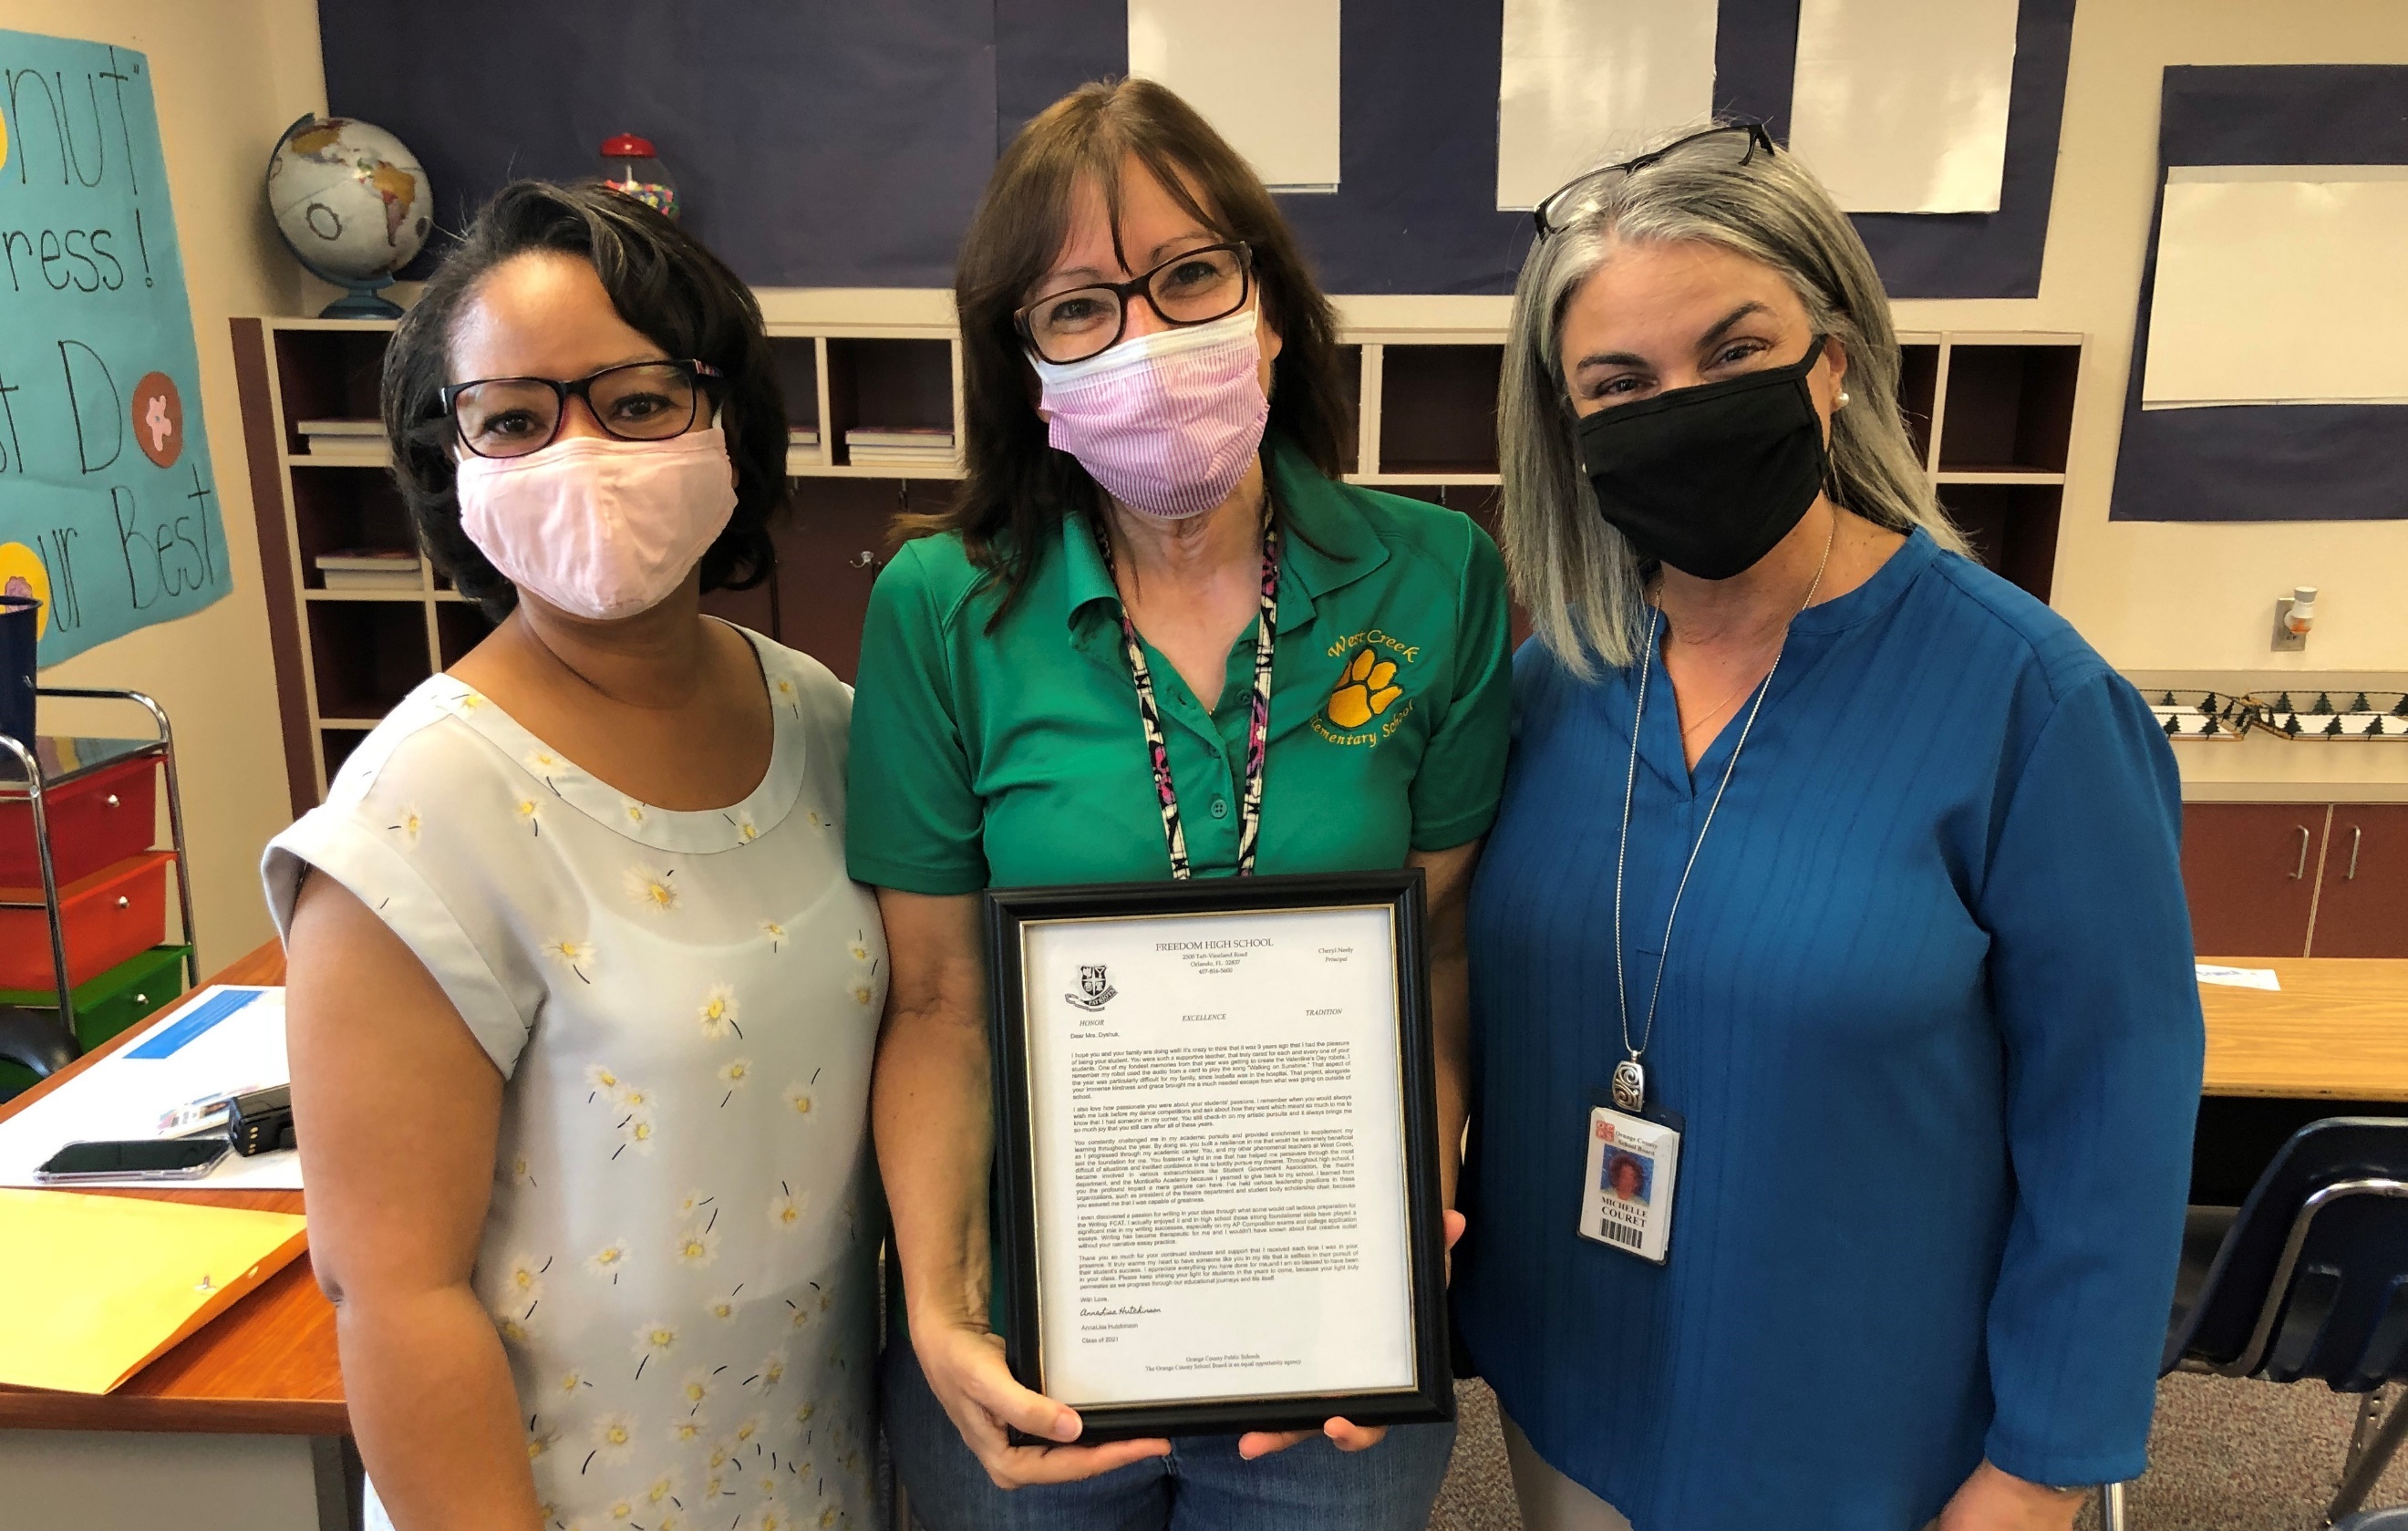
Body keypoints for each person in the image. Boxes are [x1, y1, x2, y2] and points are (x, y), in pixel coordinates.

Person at [1452, 123, 2205, 1531]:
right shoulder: (1551, 688)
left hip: (1868, 1448)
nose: (1678, 409)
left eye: (1734, 353)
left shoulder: (2028, 705)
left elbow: (2113, 1124)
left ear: (1835, 357)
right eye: (1618, 384)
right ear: (1564, 424)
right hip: (1568, 1400)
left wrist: (2040, 1471)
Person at [847, 78, 1511, 1531]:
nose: (1148, 340)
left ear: (1268, 304)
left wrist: (1396, 1241)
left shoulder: (1437, 577)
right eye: (1080, 306)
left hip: (1330, 1345)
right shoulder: (940, 606)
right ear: (1022, 362)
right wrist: (943, 1313)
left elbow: (1438, 958)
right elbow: (940, 1001)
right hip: (1034, 1339)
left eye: (1190, 277)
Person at [266, 181, 883, 1531]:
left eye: (638, 401)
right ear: (453, 465)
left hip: (813, 1468)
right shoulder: (416, 815)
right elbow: (394, 1295)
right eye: (514, 419)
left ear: (727, 421)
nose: (582, 454)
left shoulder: (826, 724)